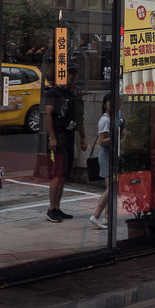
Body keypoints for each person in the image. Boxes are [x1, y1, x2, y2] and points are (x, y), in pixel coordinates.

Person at [44, 61, 87, 223]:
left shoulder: (75, 94)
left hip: (69, 138)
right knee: (56, 174)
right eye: (68, 73)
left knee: (63, 175)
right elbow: (47, 114)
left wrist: (82, 138)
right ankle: (51, 208)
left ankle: (57, 207)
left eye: (73, 73)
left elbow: (79, 117)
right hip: (57, 138)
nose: (70, 76)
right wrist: (52, 137)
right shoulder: (54, 92)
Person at [89, 93, 113, 230]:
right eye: (109, 102)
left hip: (109, 155)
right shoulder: (105, 120)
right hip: (105, 155)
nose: (111, 104)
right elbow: (102, 141)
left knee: (112, 189)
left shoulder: (110, 119)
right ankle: (96, 215)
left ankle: (106, 218)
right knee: (110, 189)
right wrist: (114, 138)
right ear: (104, 104)